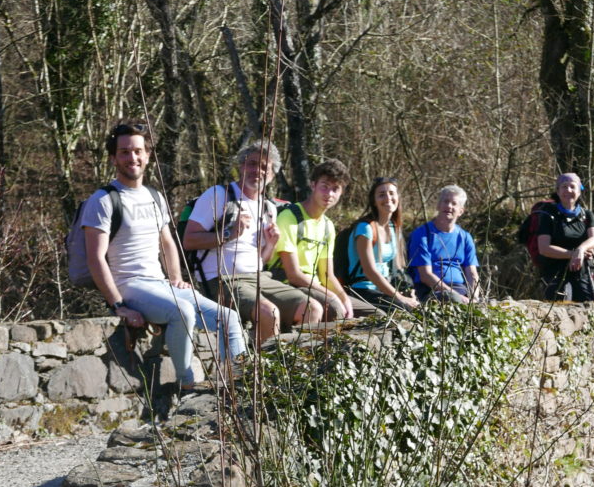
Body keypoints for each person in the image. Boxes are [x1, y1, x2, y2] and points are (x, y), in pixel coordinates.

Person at [83, 120, 246, 395]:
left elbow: (167, 242)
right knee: (182, 312)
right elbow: (95, 258)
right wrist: (118, 305)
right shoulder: (102, 200)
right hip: (130, 285)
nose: (132, 158)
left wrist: (176, 278)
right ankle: (188, 384)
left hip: (160, 284)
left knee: (228, 318)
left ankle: (238, 385)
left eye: (137, 151)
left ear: (147, 155)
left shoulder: (155, 197)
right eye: (124, 152)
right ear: (113, 158)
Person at [182, 139, 318, 346]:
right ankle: (260, 373)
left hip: (258, 277)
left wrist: (271, 244)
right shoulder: (219, 195)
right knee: (269, 312)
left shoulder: (268, 208)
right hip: (222, 279)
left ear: (272, 174)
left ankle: (294, 370)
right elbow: (189, 241)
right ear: (241, 166)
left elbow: (259, 261)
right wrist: (228, 234)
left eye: (265, 167)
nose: (257, 170)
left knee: (312, 308)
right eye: (252, 163)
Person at [272, 159, 377, 320]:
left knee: (375, 316)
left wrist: (344, 298)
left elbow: (327, 276)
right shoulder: (290, 217)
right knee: (334, 309)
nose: (329, 194)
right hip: (286, 286)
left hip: (314, 287)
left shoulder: (327, 226)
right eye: (324, 186)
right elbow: (293, 274)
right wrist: (333, 297)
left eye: (335, 189)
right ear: (313, 185)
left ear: (342, 193)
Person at [343, 177, 421, 312]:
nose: (387, 198)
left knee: (419, 309)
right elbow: (370, 271)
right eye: (381, 194)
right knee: (402, 310)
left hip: (385, 288)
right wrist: (400, 298)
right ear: (374, 201)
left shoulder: (393, 227)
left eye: (392, 193)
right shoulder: (365, 228)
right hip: (363, 289)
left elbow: (397, 269)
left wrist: (407, 291)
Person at [408, 185, 482, 303]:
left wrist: (474, 298)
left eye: (454, 203)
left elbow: (471, 272)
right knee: (449, 298)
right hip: (431, 291)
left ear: (461, 211)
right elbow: (425, 275)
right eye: (445, 201)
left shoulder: (465, 237)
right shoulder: (422, 234)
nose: (449, 206)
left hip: (459, 289)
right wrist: (457, 297)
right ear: (438, 205)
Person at [536, 172, 594, 301]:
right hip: (554, 274)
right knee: (557, 315)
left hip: (583, 274)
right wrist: (573, 254)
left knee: (587, 311)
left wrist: (581, 250)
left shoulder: (587, 215)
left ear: (579, 191)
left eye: (572, 186)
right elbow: (543, 248)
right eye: (564, 186)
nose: (568, 190)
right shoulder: (547, 215)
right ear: (558, 191)